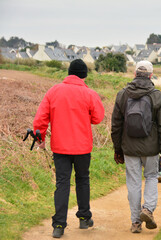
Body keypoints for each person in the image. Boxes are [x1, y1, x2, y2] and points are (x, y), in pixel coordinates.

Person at [33, 59, 105, 238]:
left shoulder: (54, 91)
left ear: (69, 73)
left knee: (62, 184)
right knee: (82, 180)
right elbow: (97, 118)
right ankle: (84, 218)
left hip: (60, 147)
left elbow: (40, 118)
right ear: (84, 75)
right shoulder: (89, 93)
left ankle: (59, 225)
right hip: (82, 147)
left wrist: (40, 139)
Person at [111, 60, 161, 234]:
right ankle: (148, 209)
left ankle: (136, 222)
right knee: (152, 177)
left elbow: (116, 125)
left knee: (133, 183)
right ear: (151, 75)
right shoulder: (157, 95)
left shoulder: (122, 94)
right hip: (151, 148)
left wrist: (118, 149)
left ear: (135, 74)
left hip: (129, 148)